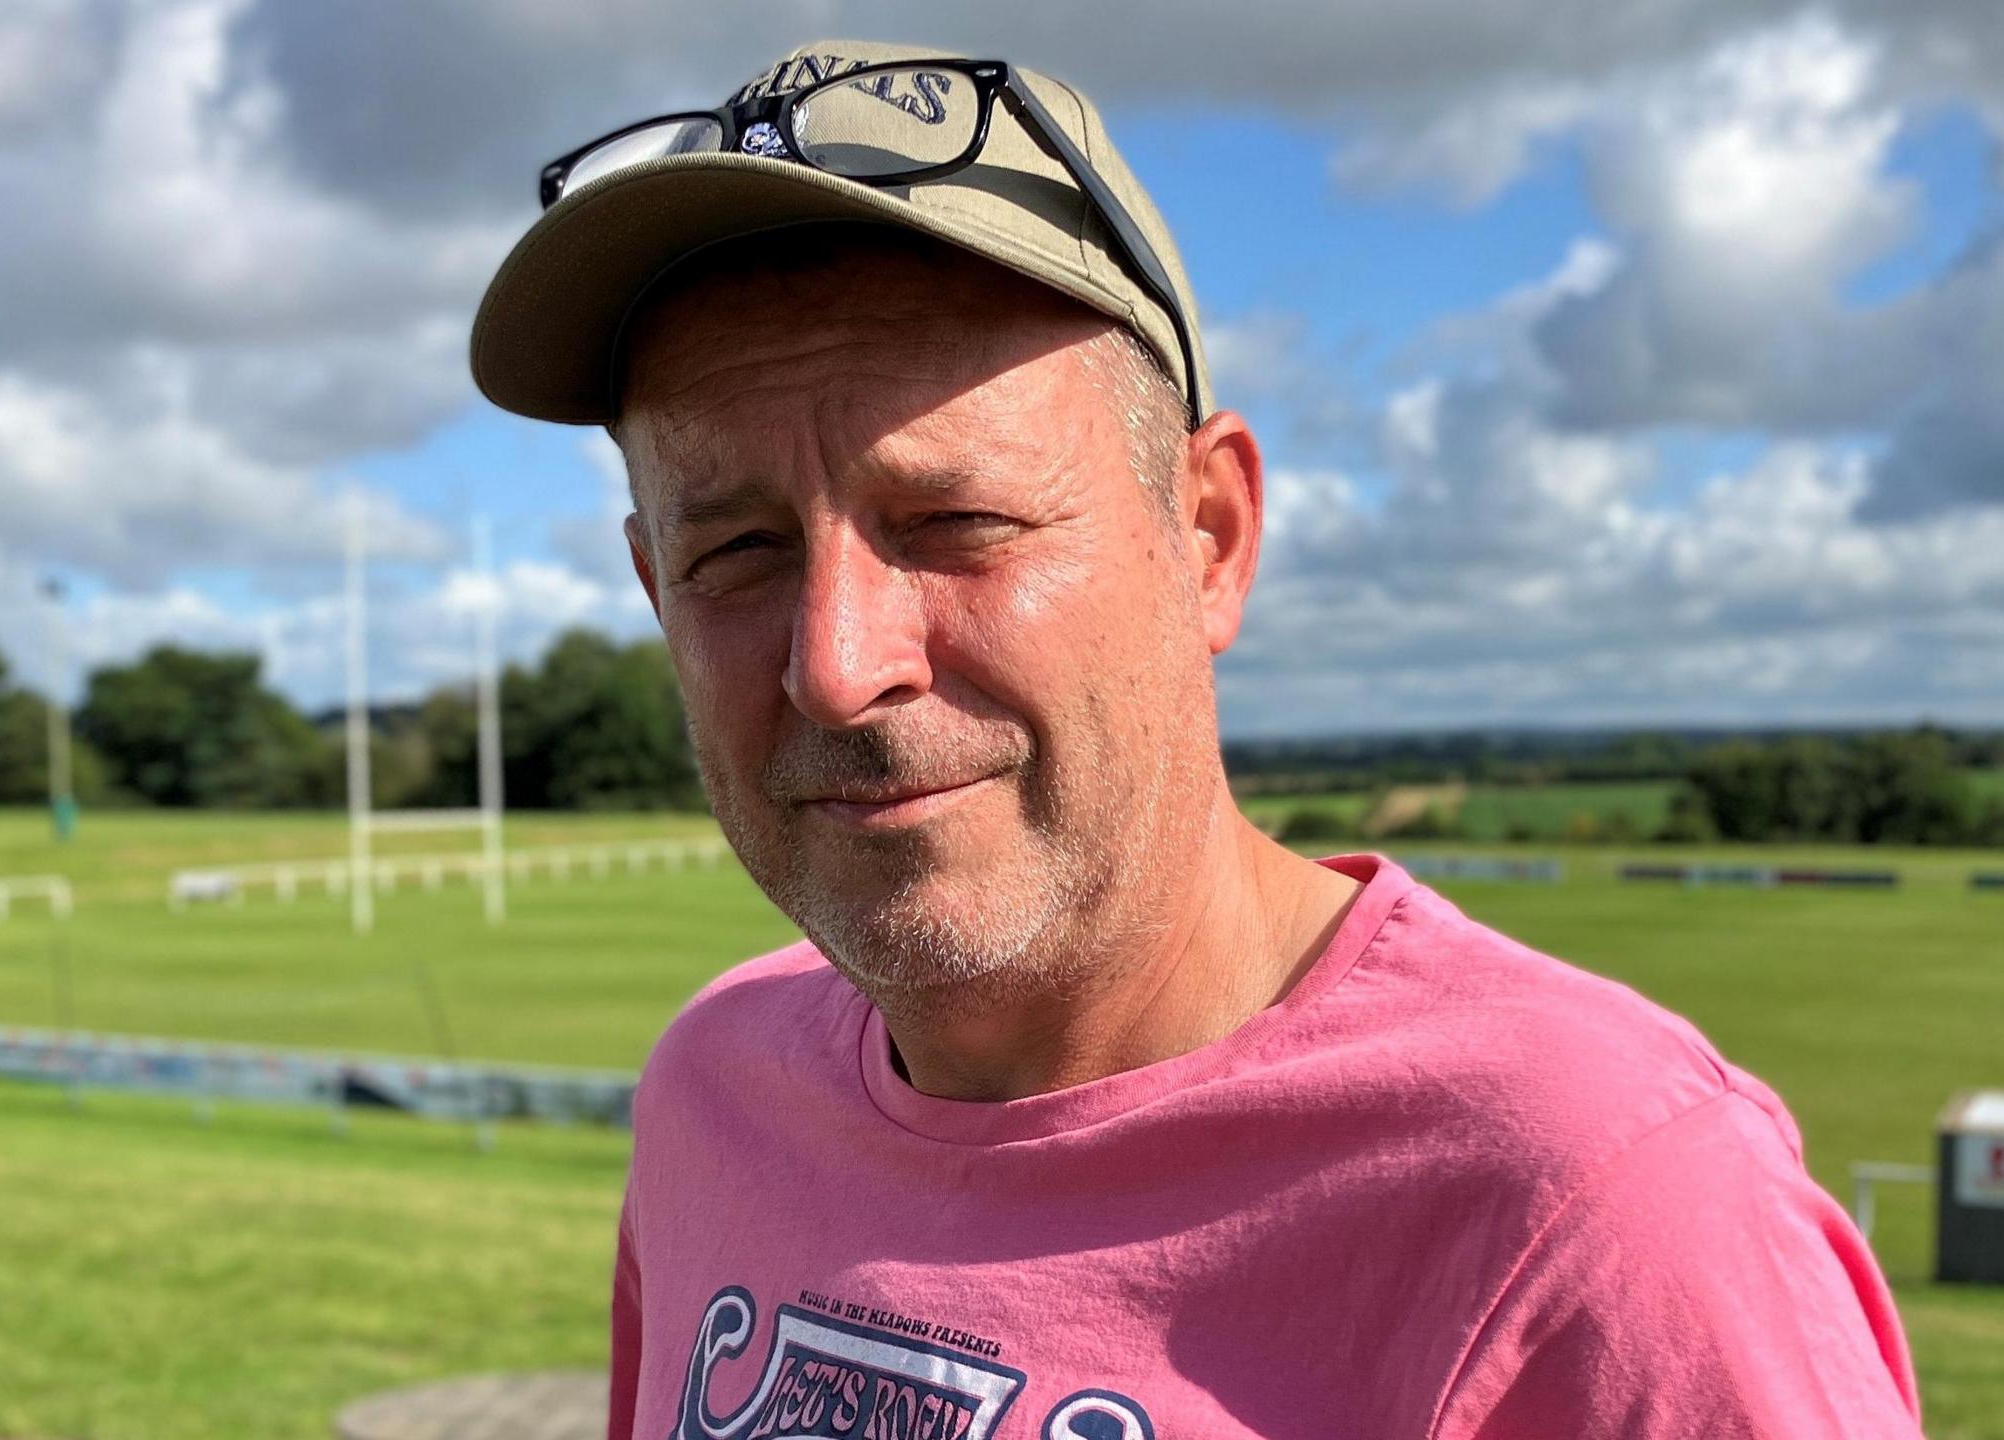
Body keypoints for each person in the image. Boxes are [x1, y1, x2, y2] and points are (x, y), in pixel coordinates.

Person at [469, 39, 1922, 1440]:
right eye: (735, 551)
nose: (837, 666)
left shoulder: (1605, 1206)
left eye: (956, 523)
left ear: (1210, 535)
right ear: (655, 589)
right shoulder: (714, 1094)